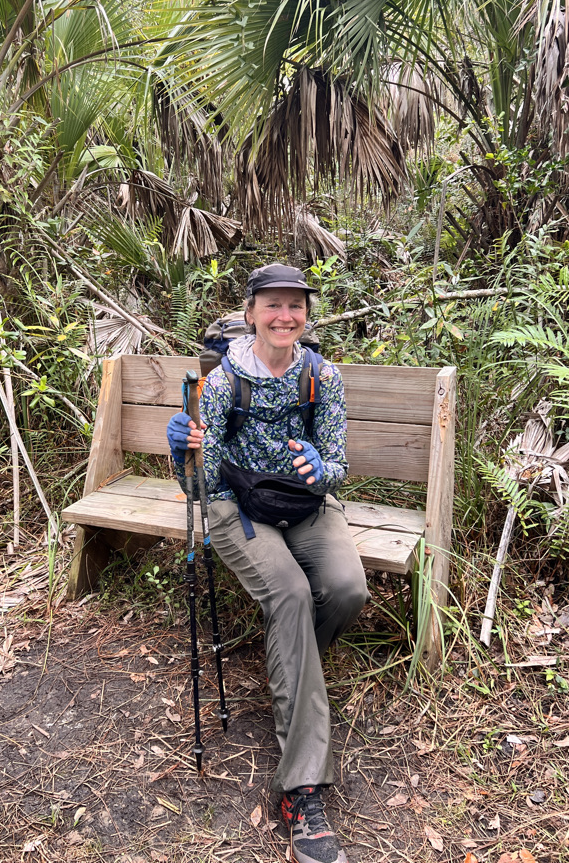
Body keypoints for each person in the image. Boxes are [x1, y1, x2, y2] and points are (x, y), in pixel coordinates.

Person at [166, 263, 369, 863]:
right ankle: (302, 787)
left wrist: (316, 465)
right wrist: (183, 451)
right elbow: (201, 485)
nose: (285, 316)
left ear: (307, 314)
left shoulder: (320, 375)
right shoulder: (224, 383)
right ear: (251, 311)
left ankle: (289, 670)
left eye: (296, 305)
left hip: (304, 505)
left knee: (346, 587)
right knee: (289, 593)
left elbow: (338, 467)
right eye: (273, 305)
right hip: (239, 507)